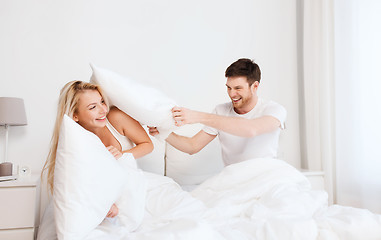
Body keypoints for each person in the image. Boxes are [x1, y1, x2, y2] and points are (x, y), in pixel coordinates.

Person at [42, 80, 153, 218]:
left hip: (132, 184)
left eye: (102, 102)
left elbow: (148, 144)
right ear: (75, 115)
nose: (103, 110)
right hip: (105, 190)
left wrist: (121, 155)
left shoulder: (116, 118)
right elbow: (82, 179)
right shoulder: (77, 140)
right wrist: (104, 201)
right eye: (93, 107)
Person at [149, 58, 286, 166]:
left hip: (266, 177)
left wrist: (197, 116)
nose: (232, 94)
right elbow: (193, 146)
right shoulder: (221, 111)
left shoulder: (274, 110)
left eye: (238, 88)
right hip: (235, 179)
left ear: (254, 86)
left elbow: (250, 130)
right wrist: (165, 133)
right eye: (229, 88)